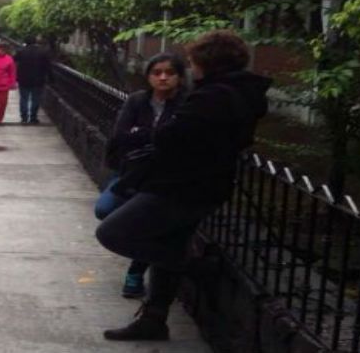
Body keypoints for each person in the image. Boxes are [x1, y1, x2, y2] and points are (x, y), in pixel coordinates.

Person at [95, 30, 271, 341]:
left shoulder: (214, 96)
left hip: (180, 188)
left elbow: (169, 136)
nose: (191, 68)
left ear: (207, 62)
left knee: (112, 231)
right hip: (202, 185)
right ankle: (154, 318)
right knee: (169, 242)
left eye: (191, 62)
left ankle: (197, 268)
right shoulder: (237, 92)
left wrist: (156, 134)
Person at [94, 53, 186, 299]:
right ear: (148, 77)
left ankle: (136, 271)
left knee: (148, 219)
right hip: (131, 173)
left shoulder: (186, 104)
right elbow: (121, 136)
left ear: (180, 77)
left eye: (170, 72)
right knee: (104, 210)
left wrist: (143, 134)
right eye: (157, 72)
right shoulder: (137, 101)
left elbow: (178, 142)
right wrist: (151, 136)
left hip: (163, 179)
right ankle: (162, 257)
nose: (163, 77)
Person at [13, 36, 53, 124]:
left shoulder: (21, 51)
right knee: (36, 99)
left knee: (24, 98)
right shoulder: (43, 52)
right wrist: (51, 78)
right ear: (35, 42)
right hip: (38, 79)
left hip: (23, 79)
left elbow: (13, 60)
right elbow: (48, 67)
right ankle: (33, 117)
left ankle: (24, 117)